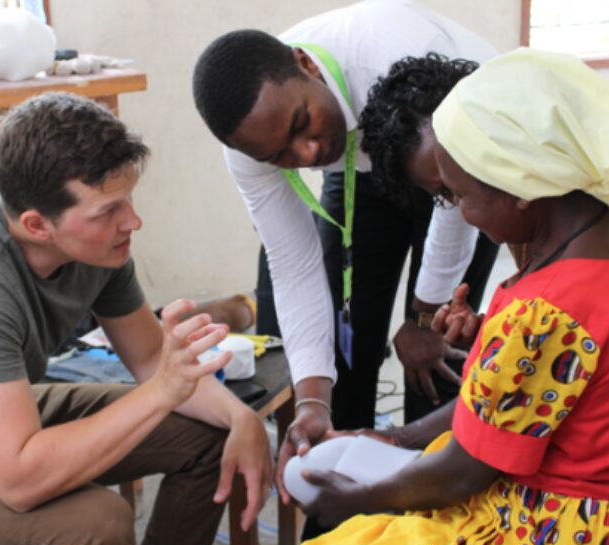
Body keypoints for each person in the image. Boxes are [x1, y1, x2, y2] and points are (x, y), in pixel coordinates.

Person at [256, 47, 609, 545]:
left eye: (461, 197)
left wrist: (353, 500)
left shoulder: (543, 311)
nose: (462, 214)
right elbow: (536, 399)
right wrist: (403, 430)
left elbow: (461, 475)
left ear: (520, 188)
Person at [0, 92, 273, 545]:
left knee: (206, 433)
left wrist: (241, 418)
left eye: (129, 200)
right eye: (109, 210)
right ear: (37, 225)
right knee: (97, 531)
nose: (132, 222)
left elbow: (152, 359)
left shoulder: (94, 246)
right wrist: (161, 393)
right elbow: (19, 480)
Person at [191, 0, 500, 511]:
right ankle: (342, 515)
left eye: (301, 124)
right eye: (280, 156)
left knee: (436, 352)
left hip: (460, 155)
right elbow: (292, 265)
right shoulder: (251, 146)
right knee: (341, 344)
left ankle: (430, 513)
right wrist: (312, 400)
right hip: (358, 169)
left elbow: (453, 206)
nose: (307, 153)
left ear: (307, 65)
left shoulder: (395, 53)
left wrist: (423, 316)